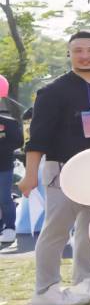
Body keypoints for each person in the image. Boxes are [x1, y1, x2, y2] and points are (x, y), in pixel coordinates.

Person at [20, 31, 90, 305]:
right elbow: (37, 139)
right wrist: (30, 175)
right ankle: (46, 290)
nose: (84, 56)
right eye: (78, 50)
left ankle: (86, 281)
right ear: (69, 53)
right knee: (56, 230)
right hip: (61, 170)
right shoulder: (51, 91)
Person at [0, 105, 21, 247]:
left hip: (4, 166)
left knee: (4, 198)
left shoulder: (9, 123)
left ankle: (9, 227)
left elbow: (18, 141)